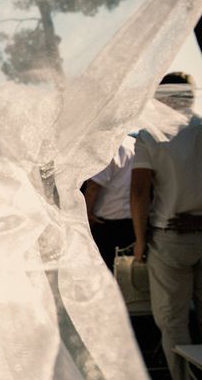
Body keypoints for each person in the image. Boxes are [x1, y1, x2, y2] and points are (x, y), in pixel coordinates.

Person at [131, 123, 202, 380]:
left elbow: (139, 190)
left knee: (173, 321)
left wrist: (139, 240)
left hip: (170, 236)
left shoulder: (150, 134)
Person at [83, 135, 136, 271]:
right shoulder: (135, 143)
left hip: (106, 224)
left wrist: (86, 213)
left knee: (105, 272)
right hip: (132, 221)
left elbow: (94, 186)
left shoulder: (110, 146)